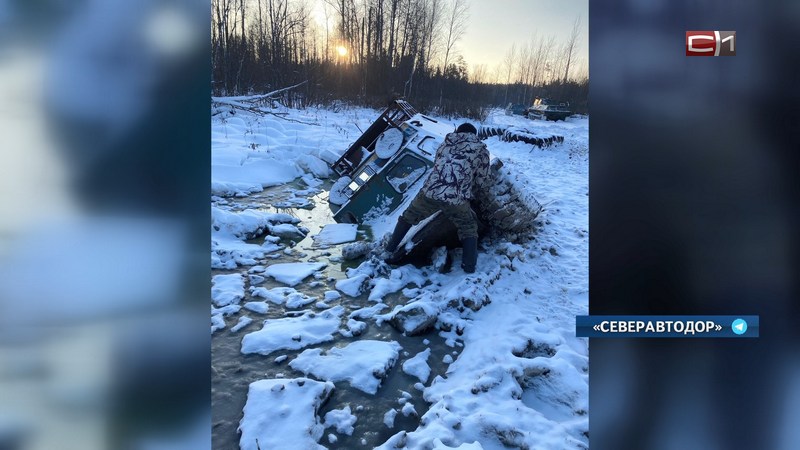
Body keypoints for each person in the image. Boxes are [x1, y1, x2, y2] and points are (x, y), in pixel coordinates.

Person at [384, 122, 489, 273]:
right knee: (468, 227)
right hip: (456, 197)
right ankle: (469, 267)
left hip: (430, 191)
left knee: (408, 216)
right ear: (474, 135)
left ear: (457, 132)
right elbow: (482, 179)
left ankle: (389, 249)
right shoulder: (481, 150)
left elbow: (438, 164)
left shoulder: (445, 143)